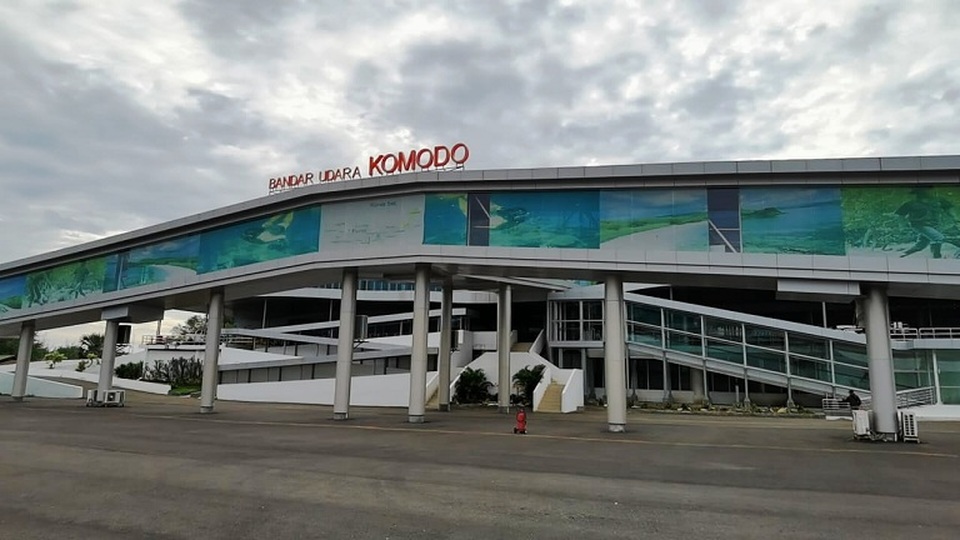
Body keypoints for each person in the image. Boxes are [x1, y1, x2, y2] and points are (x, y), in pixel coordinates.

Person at [895, 187, 960, 258]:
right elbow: (900, 215)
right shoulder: (911, 204)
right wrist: (902, 226)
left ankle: (903, 254)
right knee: (938, 238)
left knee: (921, 244)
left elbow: (948, 209)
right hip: (920, 225)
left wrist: (956, 219)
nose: (927, 192)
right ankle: (937, 256)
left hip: (935, 225)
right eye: (924, 190)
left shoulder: (938, 201)